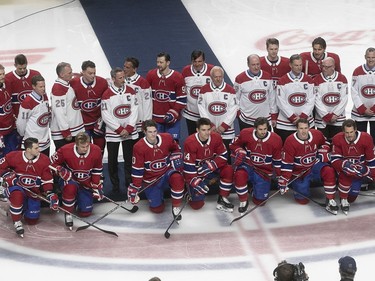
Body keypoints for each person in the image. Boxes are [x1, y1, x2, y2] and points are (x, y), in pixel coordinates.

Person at [0, 137, 57, 237]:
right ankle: (17, 221)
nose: (39, 150)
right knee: (17, 196)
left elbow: (46, 179)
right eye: (36, 148)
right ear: (28, 149)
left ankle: (20, 209)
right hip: (17, 187)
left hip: (33, 192)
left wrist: (50, 193)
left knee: (31, 220)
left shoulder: (44, 160)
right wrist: (7, 175)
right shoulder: (13, 156)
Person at [129, 120, 185, 220]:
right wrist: (135, 187)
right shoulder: (138, 147)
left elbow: (176, 148)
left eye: (155, 131)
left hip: (166, 172)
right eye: (150, 132)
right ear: (144, 132)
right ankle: (158, 196)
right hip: (151, 179)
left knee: (177, 177)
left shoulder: (167, 137)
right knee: (157, 209)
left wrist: (176, 156)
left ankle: (176, 206)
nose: (153, 134)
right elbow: (137, 169)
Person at [278, 118, 337, 211]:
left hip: (314, 166)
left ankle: (330, 199)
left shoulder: (316, 134)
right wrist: (285, 179)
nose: (303, 131)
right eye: (301, 128)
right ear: (296, 128)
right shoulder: (290, 141)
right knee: (302, 200)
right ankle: (297, 186)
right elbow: (287, 163)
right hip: (299, 171)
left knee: (329, 171)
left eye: (306, 128)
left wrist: (325, 149)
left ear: (309, 128)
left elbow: (325, 143)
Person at [50, 132, 104, 228]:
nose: (85, 149)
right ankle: (68, 212)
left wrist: (96, 185)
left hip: (86, 182)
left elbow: (97, 169)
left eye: (87, 146)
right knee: (70, 188)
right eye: (83, 147)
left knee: (85, 212)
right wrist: (60, 170)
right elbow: (50, 163)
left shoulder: (96, 150)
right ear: (76, 144)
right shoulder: (65, 150)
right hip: (70, 179)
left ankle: (78, 201)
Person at [183, 117, 235, 212]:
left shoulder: (216, 137)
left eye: (208, 129)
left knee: (228, 169)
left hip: (211, 169)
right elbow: (188, 166)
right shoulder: (190, 142)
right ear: (197, 130)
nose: (207, 133)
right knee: (197, 205)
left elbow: (224, 155)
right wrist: (196, 182)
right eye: (203, 130)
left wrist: (211, 166)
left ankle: (223, 198)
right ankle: (187, 192)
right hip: (197, 172)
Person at [230, 117, 283, 207]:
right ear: (255, 128)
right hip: (248, 166)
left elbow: (277, 160)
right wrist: (240, 151)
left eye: (265, 129)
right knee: (239, 175)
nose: (263, 132)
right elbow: (233, 145)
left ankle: (251, 189)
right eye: (260, 129)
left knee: (260, 202)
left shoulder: (276, 139)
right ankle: (243, 200)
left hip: (264, 171)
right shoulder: (246, 133)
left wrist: (280, 177)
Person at [101, 67, 138, 193]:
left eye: (124, 77)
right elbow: (106, 115)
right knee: (112, 160)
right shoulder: (107, 94)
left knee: (129, 159)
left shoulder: (131, 91)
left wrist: (128, 128)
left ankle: (129, 183)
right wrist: (119, 129)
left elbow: (134, 110)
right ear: (113, 79)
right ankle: (115, 185)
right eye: (120, 78)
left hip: (129, 131)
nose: (123, 80)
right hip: (113, 133)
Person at [330, 119, 375, 214]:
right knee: (343, 174)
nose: (349, 135)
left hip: (359, 171)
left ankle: (360, 185)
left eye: (351, 132)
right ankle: (342, 197)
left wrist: (368, 172)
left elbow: (371, 160)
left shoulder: (366, 138)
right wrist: (345, 165)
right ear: (343, 132)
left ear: (355, 130)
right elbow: (334, 160)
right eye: (347, 132)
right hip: (344, 171)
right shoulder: (337, 139)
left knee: (352, 198)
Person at [198, 66, 238, 163]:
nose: (218, 79)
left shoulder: (230, 90)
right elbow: (201, 108)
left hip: (226, 132)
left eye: (220, 76)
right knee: (211, 155)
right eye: (216, 77)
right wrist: (210, 126)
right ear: (211, 77)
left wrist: (223, 126)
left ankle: (226, 176)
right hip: (210, 131)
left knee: (226, 157)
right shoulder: (204, 90)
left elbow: (234, 109)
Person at [146, 52, 186, 141]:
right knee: (157, 145)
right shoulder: (151, 75)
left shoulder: (177, 77)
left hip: (173, 121)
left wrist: (173, 113)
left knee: (173, 146)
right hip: (155, 120)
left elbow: (182, 99)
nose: (158, 64)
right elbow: (145, 94)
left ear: (168, 63)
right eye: (157, 62)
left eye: (161, 62)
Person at [70, 60, 108, 153]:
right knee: (85, 149)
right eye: (90, 73)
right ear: (82, 72)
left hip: (98, 122)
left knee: (99, 150)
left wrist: (103, 120)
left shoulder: (102, 82)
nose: (93, 75)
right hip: (82, 124)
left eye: (94, 73)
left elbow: (107, 103)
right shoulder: (73, 83)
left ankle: (98, 167)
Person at [275, 54, 315, 142]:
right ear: (290, 65)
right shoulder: (282, 81)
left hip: (306, 123)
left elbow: (311, 100)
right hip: (285, 124)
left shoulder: (308, 80)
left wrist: (303, 117)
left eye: (300, 65)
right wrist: (292, 117)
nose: (299, 67)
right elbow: (281, 102)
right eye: (296, 65)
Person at [234, 54, 277, 129]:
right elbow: (234, 97)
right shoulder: (240, 78)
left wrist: (273, 115)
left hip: (265, 120)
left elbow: (272, 98)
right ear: (248, 64)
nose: (256, 67)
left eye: (258, 64)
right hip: (246, 120)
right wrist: (238, 113)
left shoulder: (268, 77)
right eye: (253, 65)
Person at [50, 62, 85, 151]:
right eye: (69, 73)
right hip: (66, 134)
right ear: (61, 74)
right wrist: (65, 132)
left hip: (73, 131)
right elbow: (60, 113)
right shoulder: (59, 89)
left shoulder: (65, 84)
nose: (72, 74)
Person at [313, 57, 348, 142]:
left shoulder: (342, 78)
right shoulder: (316, 79)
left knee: (337, 143)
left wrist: (335, 114)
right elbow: (316, 100)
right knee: (323, 144)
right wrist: (326, 115)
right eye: (323, 66)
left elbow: (344, 98)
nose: (324, 69)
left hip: (338, 119)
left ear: (333, 67)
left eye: (327, 67)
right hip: (322, 120)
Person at [16, 74, 51, 156]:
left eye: (44, 86)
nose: (43, 89)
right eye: (40, 87)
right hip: (32, 144)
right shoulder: (27, 102)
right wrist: (25, 135)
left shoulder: (44, 96)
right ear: (33, 86)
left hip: (45, 142)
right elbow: (21, 123)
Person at [181, 50, 214, 135]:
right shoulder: (186, 71)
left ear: (204, 61)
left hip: (208, 113)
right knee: (192, 137)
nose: (197, 64)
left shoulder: (212, 70)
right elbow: (183, 89)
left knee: (208, 137)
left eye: (199, 61)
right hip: (191, 113)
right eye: (194, 61)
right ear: (191, 61)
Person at [350, 47, 375, 143]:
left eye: (373, 57)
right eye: (368, 57)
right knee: (360, 139)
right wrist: (362, 109)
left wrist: (373, 109)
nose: (371, 59)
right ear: (365, 57)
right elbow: (354, 91)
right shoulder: (357, 71)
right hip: (360, 113)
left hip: (374, 113)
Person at [123, 57, 152, 139]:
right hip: (126, 122)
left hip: (139, 123)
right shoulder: (121, 81)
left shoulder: (142, 83)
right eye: (124, 66)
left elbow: (148, 104)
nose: (124, 69)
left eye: (127, 67)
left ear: (134, 69)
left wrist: (147, 123)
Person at [0, 64, 18, 159]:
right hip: (1, 132)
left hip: (10, 128)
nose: (3, 76)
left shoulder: (7, 83)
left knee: (13, 156)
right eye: (0, 74)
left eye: (3, 73)